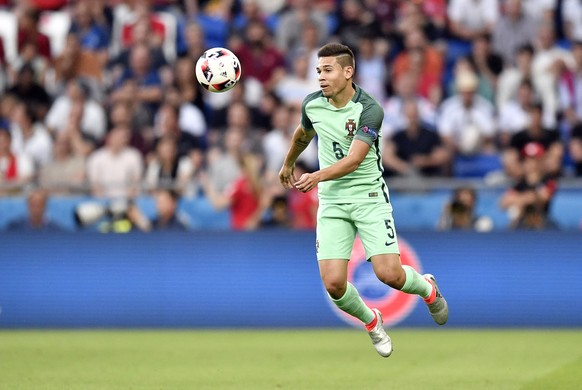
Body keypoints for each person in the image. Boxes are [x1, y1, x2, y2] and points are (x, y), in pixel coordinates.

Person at [278, 43, 448, 358]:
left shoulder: (370, 109)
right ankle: (372, 322)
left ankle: (427, 289)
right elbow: (303, 134)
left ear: (348, 71)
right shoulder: (312, 104)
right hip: (332, 201)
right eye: (318, 71)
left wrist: (315, 176)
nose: (321, 77)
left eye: (327, 70)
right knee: (333, 285)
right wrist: (288, 163)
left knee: (390, 275)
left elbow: (355, 160)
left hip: (368, 197)